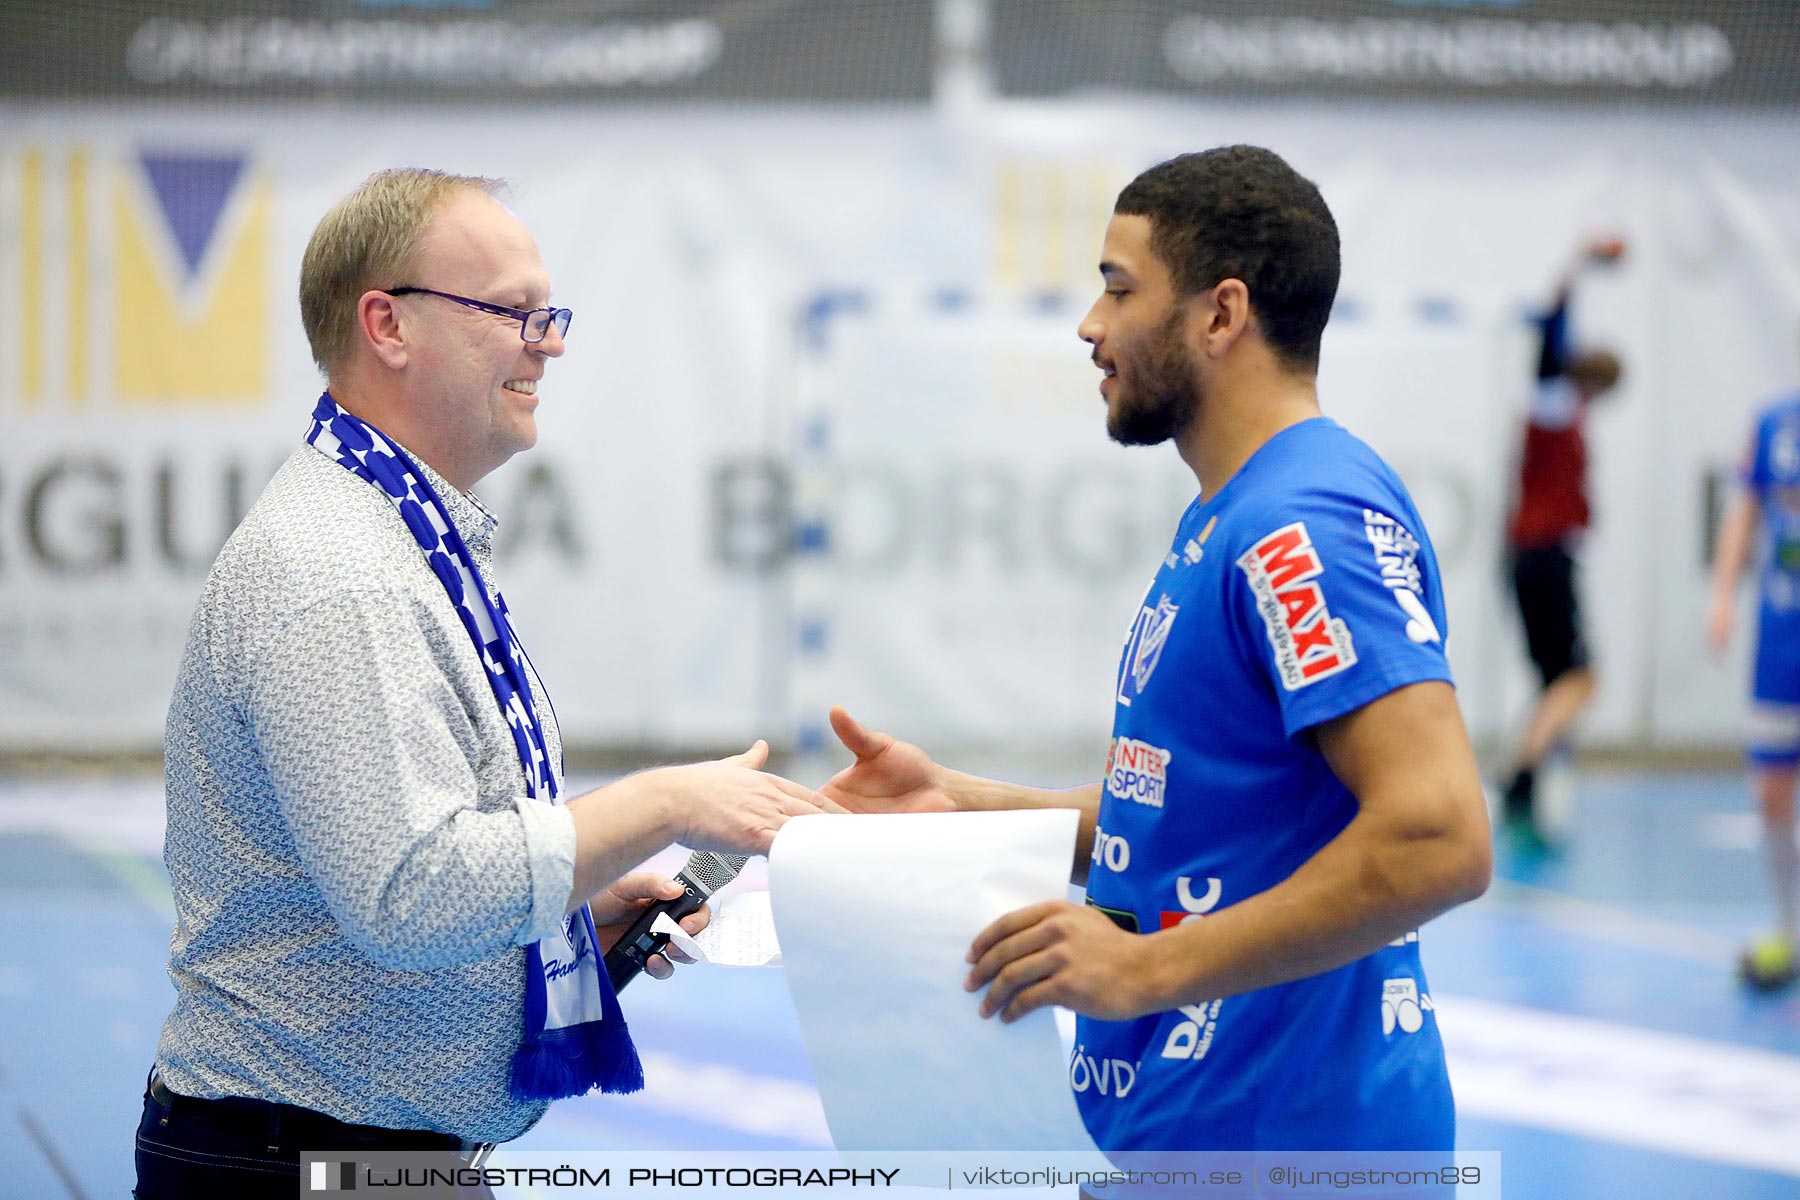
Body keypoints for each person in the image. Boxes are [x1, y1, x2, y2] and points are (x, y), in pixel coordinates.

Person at [135, 169, 840, 1199]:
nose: (547, 341)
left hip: (356, 1155)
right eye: (512, 311)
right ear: (388, 324)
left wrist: (560, 921)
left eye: (546, 313)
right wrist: (668, 802)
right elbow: (411, 896)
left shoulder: (397, 537)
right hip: (298, 1162)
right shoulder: (340, 574)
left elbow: (408, 890)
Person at [821, 146, 1491, 1153]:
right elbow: (1208, 825)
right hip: (1189, 1134)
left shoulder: (1302, 523)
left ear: (1221, 315)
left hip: (1284, 1143)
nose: (1090, 328)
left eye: (1119, 289)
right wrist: (959, 804)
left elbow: (1439, 838)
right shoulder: (1236, 513)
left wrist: (1148, 970)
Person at [1498, 239, 1625, 849]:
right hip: (1543, 554)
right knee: (1577, 677)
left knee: (1560, 678)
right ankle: (1522, 774)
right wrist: (1577, 264)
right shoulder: (1552, 405)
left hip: (1542, 555)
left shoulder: (1563, 411)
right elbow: (1552, 330)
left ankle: (1528, 768)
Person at [1706, 367, 1800, 993]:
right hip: (1781, 638)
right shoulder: (1775, 423)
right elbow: (1744, 510)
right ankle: (1787, 931)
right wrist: (1723, 593)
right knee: (1772, 789)